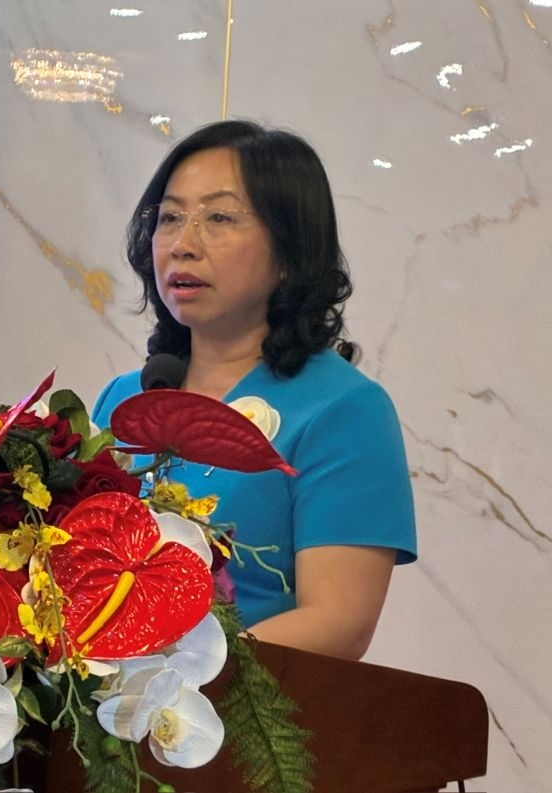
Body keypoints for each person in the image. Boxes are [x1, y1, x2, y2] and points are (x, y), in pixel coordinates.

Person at [92, 120, 416, 661]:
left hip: (243, 704)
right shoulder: (124, 398)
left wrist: (170, 677)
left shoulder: (344, 410)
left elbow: (339, 623)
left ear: (289, 252)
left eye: (219, 218)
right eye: (169, 218)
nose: (182, 245)